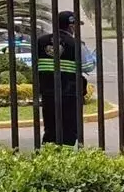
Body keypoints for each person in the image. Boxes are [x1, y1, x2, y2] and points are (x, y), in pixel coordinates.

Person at [36, 11, 96, 146]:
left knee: (50, 129)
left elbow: (35, 65)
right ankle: (65, 160)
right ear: (71, 26)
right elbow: (87, 66)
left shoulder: (41, 41)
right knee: (69, 130)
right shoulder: (75, 43)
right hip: (69, 93)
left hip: (48, 93)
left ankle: (49, 158)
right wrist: (94, 59)